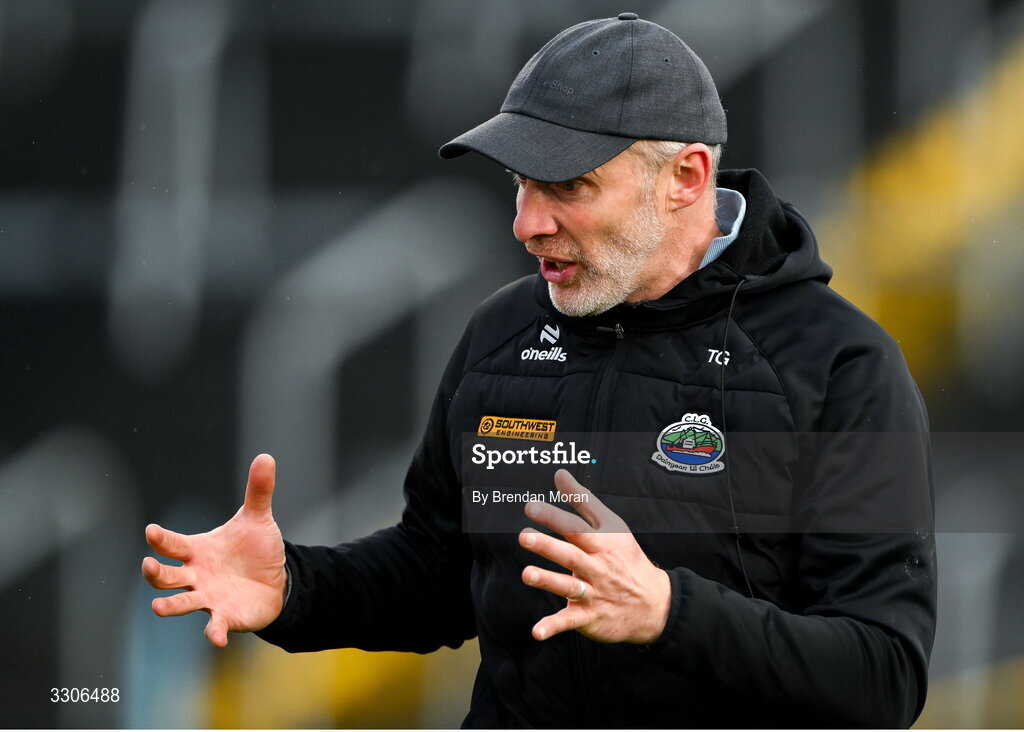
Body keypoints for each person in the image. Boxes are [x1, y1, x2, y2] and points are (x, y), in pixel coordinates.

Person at [142, 14, 936, 727]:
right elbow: (437, 575)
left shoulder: (839, 365)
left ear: (687, 178)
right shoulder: (503, 332)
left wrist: (669, 611)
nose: (527, 223)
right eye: (520, 183)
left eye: (567, 186)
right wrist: (295, 588)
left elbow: (884, 677)